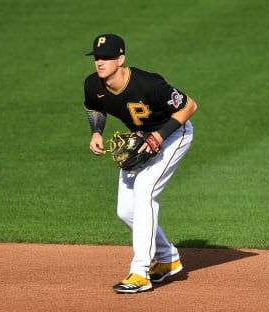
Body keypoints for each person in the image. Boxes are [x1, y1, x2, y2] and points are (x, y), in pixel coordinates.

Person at [83, 34, 197, 294]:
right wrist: (96, 131)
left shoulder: (148, 84)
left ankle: (140, 271)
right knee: (126, 211)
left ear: (121, 59)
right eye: (97, 57)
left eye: (107, 57)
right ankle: (168, 259)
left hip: (174, 135)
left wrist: (158, 136)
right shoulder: (93, 84)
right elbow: (94, 107)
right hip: (141, 140)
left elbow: (189, 105)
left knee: (145, 190)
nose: (100, 62)